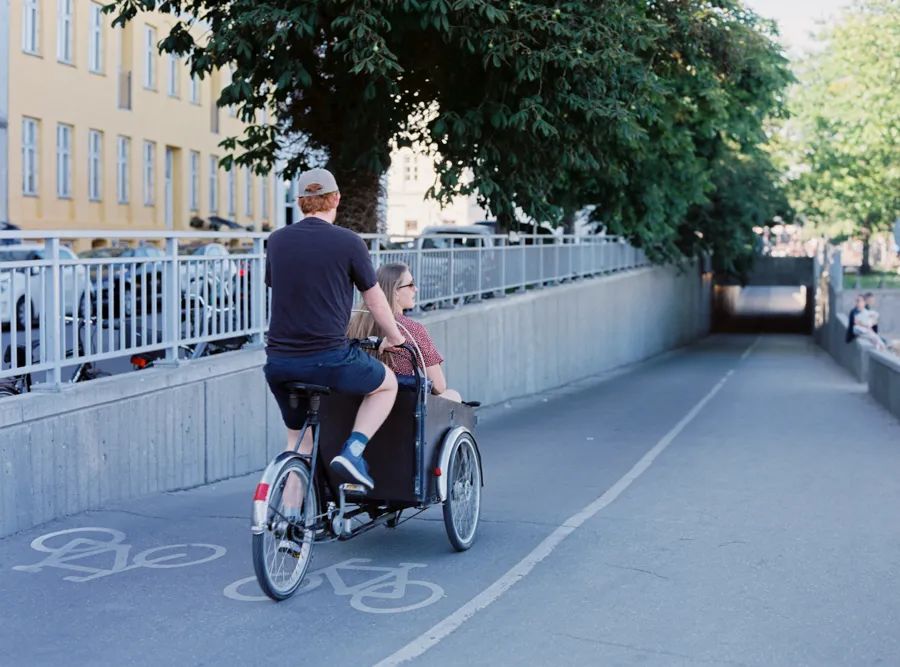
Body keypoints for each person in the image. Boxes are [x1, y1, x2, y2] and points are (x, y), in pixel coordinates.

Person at [264, 168, 406, 492]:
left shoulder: (277, 241)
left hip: (279, 363)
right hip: (328, 359)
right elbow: (375, 300)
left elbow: (282, 286)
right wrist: (395, 337)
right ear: (336, 198)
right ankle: (353, 452)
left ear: (300, 201)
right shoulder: (349, 242)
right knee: (387, 385)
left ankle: (289, 535)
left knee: (297, 442)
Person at [347, 262, 462, 402]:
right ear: (395, 291)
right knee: (453, 395)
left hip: (354, 403)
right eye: (411, 285)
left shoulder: (353, 325)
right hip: (400, 407)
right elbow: (438, 386)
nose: (416, 289)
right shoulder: (411, 329)